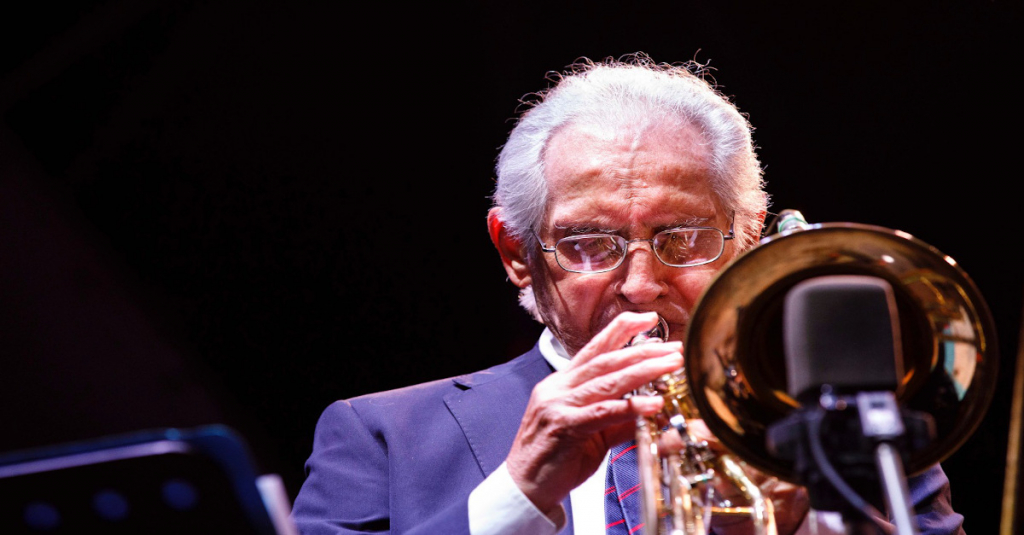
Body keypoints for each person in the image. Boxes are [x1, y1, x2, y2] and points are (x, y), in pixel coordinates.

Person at [290, 54, 965, 535]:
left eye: (684, 238)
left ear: (747, 237)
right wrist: (516, 496)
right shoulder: (379, 435)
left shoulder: (860, 427)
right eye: (589, 243)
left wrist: (807, 525)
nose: (641, 285)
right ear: (517, 254)